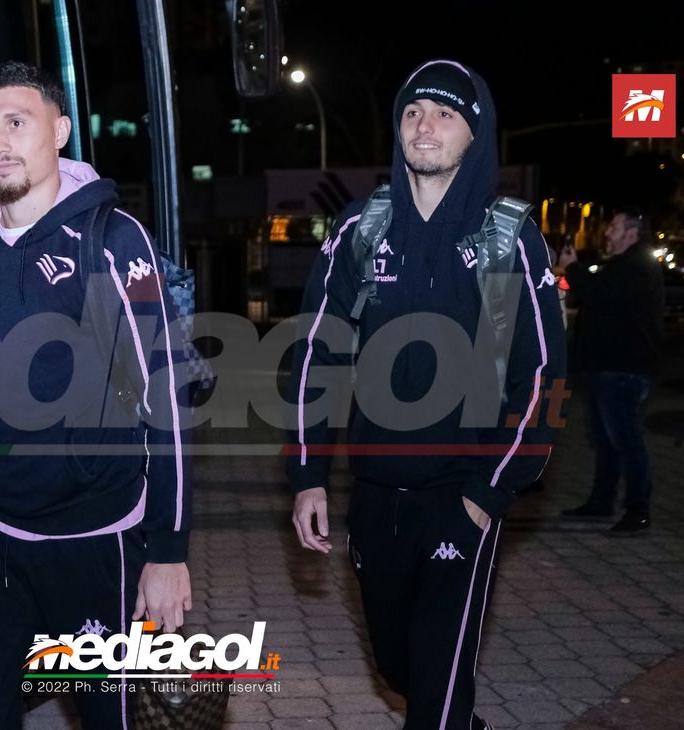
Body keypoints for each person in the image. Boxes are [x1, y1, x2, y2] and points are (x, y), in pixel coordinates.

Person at [288, 59, 566, 729]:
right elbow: (315, 356)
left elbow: (542, 377)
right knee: (398, 665)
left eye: (445, 114)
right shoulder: (362, 230)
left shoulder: (505, 240)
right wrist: (309, 474)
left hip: (461, 496)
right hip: (375, 494)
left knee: (437, 694)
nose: (425, 125)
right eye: (413, 111)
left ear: (475, 136)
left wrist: (486, 495)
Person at [0, 61, 191, 729]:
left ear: (60, 130)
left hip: (95, 541)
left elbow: (166, 398)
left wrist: (168, 552)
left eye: (16, 123)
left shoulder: (113, 241)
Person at [559, 207, 664, 532]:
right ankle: (602, 502)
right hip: (607, 367)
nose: (607, 232)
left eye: (614, 227)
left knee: (626, 440)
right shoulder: (624, 264)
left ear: (631, 233)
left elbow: (600, 296)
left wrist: (573, 268)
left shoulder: (637, 265)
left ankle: (637, 509)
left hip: (622, 369)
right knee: (606, 441)